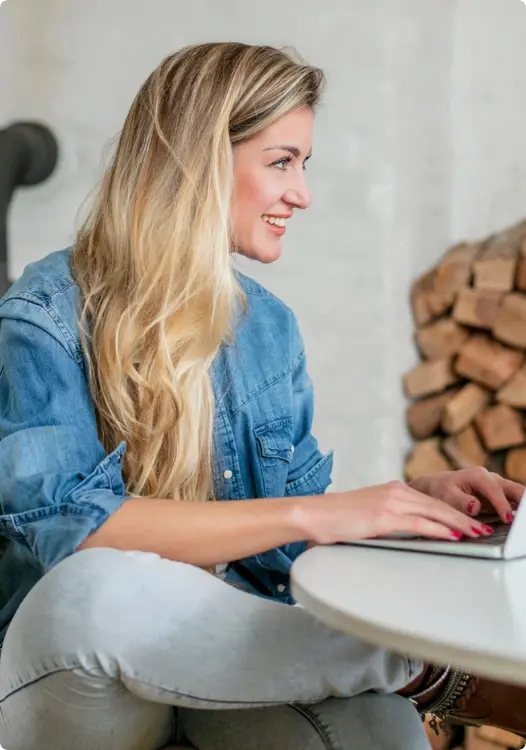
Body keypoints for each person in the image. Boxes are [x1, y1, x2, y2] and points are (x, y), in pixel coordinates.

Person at [0, 41, 525, 750]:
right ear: (196, 161)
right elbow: (74, 531)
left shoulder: (268, 329)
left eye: (302, 165)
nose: (301, 193)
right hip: (70, 674)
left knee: (374, 723)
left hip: (221, 657)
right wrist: (320, 512)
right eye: (281, 162)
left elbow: (285, 550)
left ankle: (407, 674)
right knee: (96, 585)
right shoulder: (43, 317)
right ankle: (426, 665)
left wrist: (404, 508)